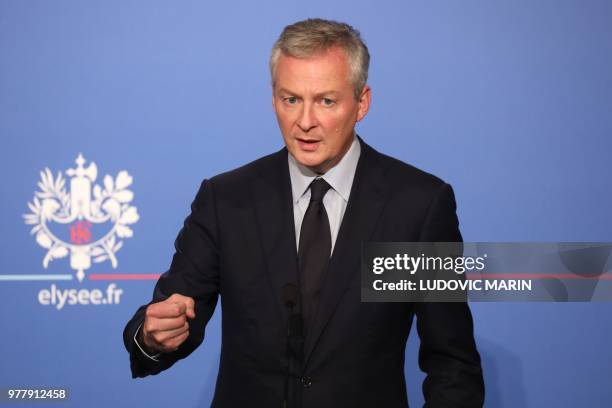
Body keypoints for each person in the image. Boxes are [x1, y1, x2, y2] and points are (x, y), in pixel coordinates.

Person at [123, 18, 485, 407]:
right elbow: (172, 316)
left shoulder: (416, 205)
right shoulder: (227, 200)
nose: (305, 122)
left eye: (326, 101)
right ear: (273, 98)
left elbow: (453, 363)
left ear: (361, 102)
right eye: (290, 99)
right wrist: (152, 334)